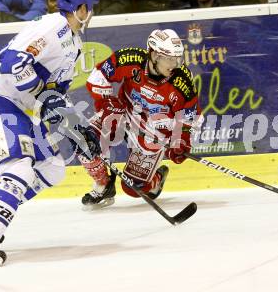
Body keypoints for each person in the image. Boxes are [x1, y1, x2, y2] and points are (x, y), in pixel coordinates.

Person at [0, 0, 100, 267]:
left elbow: (56, 95)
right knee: (19, 167)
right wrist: (41, 93)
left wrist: (77, 129)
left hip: (18, 107)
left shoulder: (75, 44)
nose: (92, 12)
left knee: (53, 167)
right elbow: (13, 61)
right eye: (90, 7)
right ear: (80, 8)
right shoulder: (51, 27)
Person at [80, 29, 199, 209]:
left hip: (154, 130)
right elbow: (97, 77)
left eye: (177, 59)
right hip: (123, 114)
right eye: (169, 58)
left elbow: (190, 116)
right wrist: (107, 103)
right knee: (84, 143)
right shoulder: (130, 58)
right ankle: (103, 185)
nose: (174, 64)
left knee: (132, 187)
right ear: (153, 54)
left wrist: (181, 140)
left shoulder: (182, 81)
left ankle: (156, 179)